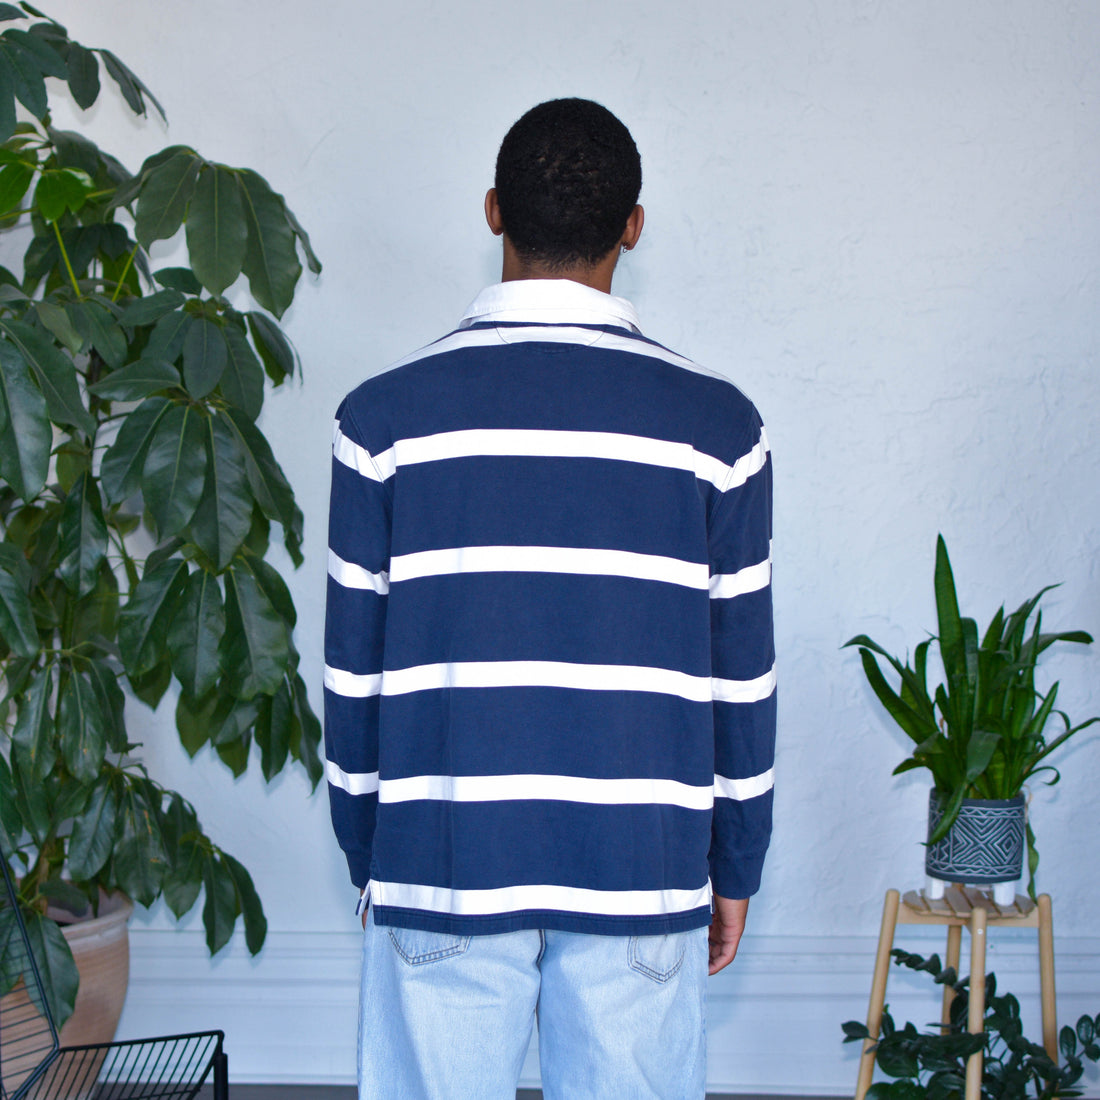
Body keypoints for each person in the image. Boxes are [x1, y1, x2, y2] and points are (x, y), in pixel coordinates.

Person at [324, 97, 775, 1100]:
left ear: (493, 211)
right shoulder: (717, 427)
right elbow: (740, 677)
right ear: (631, 225)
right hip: (641, 861)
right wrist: (732, 862)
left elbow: (350, 672)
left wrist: (373, 855)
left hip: (440, 853)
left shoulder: (382, 420)